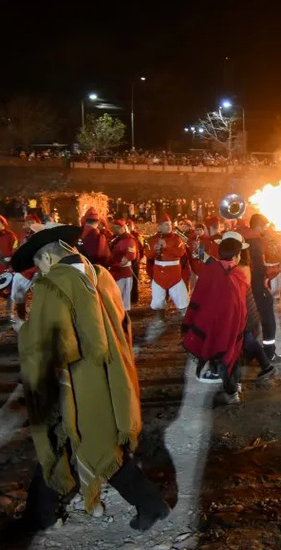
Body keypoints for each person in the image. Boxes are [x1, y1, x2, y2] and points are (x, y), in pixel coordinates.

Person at [10, 223, 170, 532]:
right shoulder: (100, 273)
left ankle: (149, 504)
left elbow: (56, 344)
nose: (38, 271)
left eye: (38, 265)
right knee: (100, 440)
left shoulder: (53, 284)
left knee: (64, 438)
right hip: (108, 371)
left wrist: (24, 331)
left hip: (76, 380)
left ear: (46, 258)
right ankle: (41, 512)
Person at [183, 231, 266, 403]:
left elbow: (200, 293)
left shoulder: (215, 270)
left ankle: (232, 390)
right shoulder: (238, 273)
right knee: (231, 357)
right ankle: (233, 391)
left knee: (224, 357)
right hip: (234, 325)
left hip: (216, 324)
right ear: (236, 255)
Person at [240, 214, 279, 362]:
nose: (265, 229)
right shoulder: (256, 241)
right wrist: (277, 268)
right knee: (268, 319)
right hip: (256, 285)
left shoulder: (242, 237)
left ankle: (248, 353)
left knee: (248, 319)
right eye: (264, 227)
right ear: (258, 226)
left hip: (244, 286)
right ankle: (269, 353)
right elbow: (259, 268)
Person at [144, 213, 190, 325]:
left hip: (174, 274)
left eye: (169, 224)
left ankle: (186, 319)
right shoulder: (151, 240)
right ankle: (160, 318)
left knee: (182, 298)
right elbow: (148, 255)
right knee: (158, 298)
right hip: (159, 273)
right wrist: (154, 250)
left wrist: (166, 247)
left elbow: (180, 252)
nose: (169, 227)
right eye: (165, 225)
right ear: (159, 227)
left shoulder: (177, 238)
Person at [11, 214, 42, 321]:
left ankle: (38, 316)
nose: (29, 225)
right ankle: (21, 315)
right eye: (27, 223)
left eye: (32, 222)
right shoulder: (21, 235)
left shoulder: (42, 235)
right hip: (23, 268)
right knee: (19, 292)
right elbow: (15, 248)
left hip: (37, 268)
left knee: (39, 293)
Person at [110, 219, 139, 310]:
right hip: (116, 270)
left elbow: (131, 253)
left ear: (123, 228)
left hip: (123, 271)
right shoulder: (116, 239)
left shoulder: (128, 239)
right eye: (114, 228)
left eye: (117, 228)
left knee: (122, 295)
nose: (115, 230)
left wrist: (126, 258)